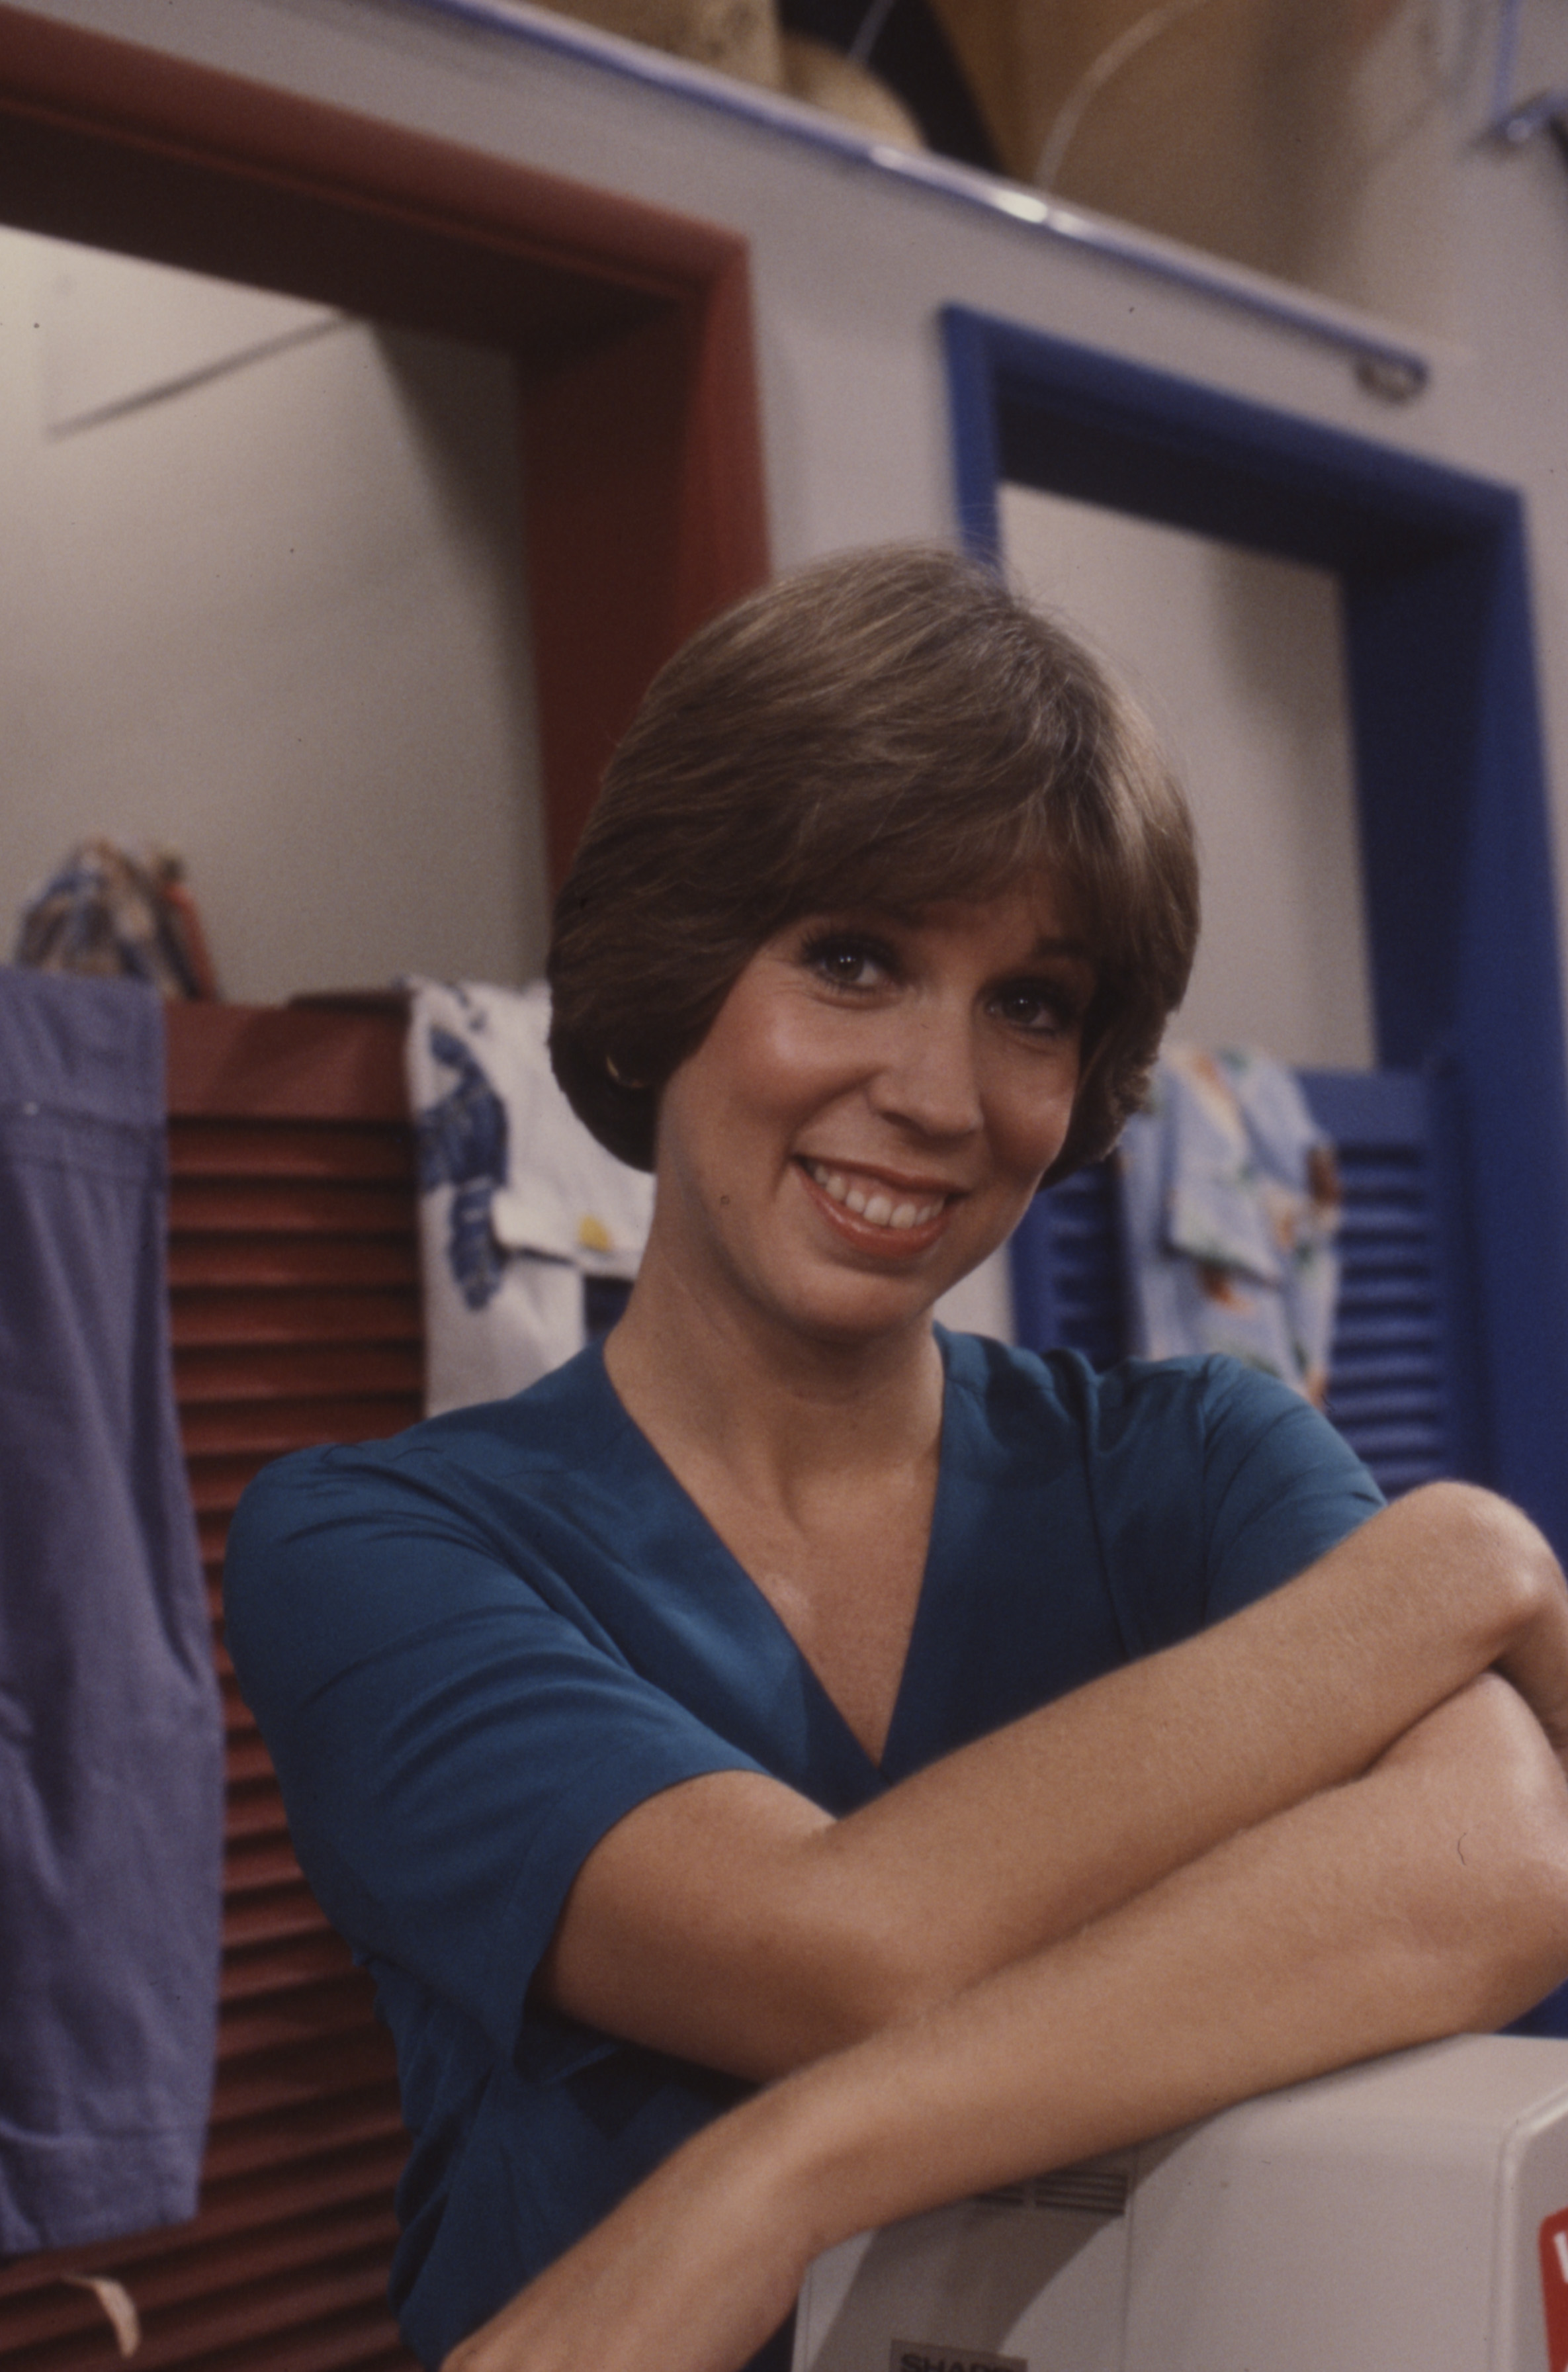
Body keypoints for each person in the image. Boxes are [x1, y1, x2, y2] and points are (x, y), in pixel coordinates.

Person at [224, 546, 1568, 2372]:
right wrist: (1461, 1558)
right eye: (851, 958)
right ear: (678, 965)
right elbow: (839, 1951)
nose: (940, 1093)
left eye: (1030, 1002)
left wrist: (773, 2171)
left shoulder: (1194, 1464)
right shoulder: (376, 1548)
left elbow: (1502, 1855)